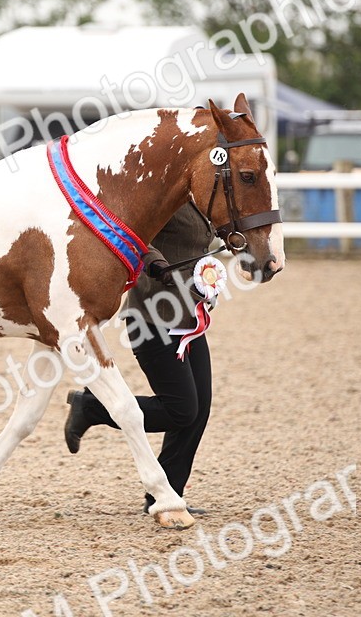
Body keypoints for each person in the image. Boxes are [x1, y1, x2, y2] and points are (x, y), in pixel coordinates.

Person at [63, 203, 216, 514]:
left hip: (187, 315)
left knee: (199, 408)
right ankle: (92, 406)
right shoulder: (166, 190)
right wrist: (155, 261)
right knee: (182, 410)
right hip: (153, 318)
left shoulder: (198, 197)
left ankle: (166, 494)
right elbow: (132, 232)